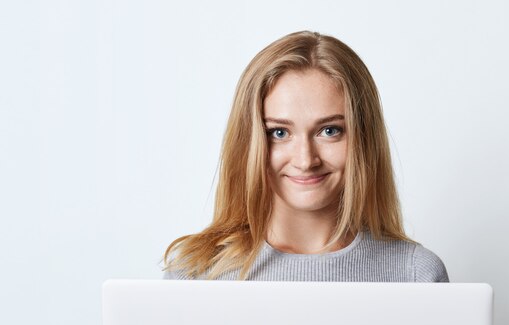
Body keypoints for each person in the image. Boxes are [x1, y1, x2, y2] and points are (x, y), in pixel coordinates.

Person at [162, 30, 448, 282]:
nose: (305, 160)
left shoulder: (415, 274)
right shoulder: (195, 273)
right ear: (248, 144)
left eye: (329, 130)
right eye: (279, 133)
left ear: (364, 140)